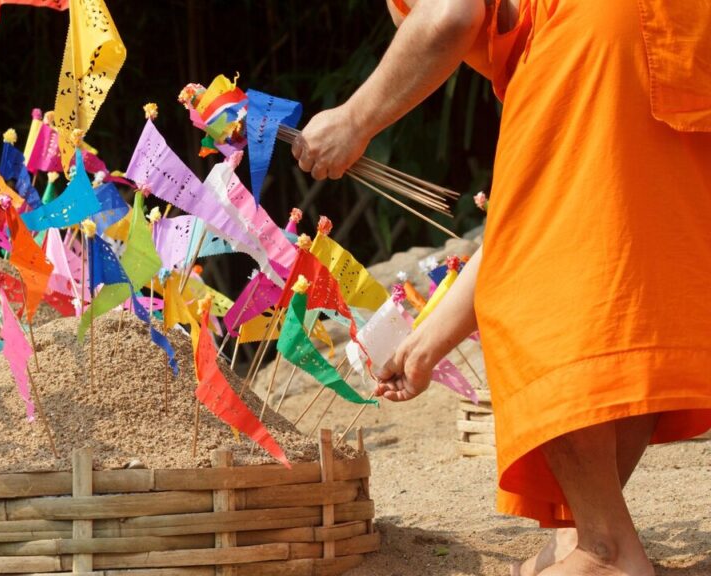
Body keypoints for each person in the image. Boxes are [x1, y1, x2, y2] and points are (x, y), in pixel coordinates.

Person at [290, 0, 711, 574]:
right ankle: (583, 535)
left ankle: (606, 548)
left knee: (544, 302)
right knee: (620, 285)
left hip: (601, 32)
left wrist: (355, 119)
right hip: (677, 41)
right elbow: (532, 235)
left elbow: (451, 13)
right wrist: (425, 343)